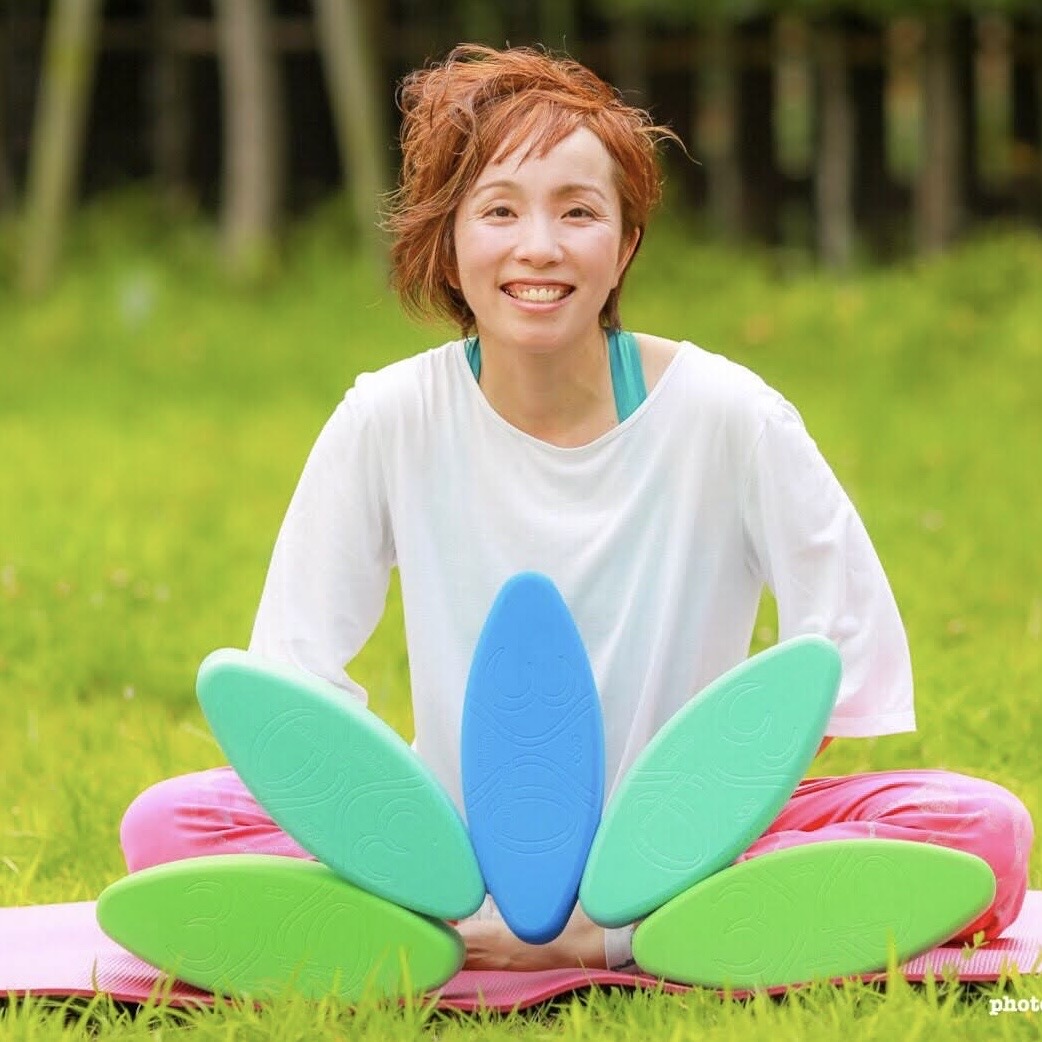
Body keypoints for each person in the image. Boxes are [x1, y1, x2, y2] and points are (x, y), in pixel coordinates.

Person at [119, 44, 1033, 974]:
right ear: (448, 241)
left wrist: (689, 831)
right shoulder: (389, 418)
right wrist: (400, 839)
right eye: (499, 210)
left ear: (624, 243)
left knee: (981, 832)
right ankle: (464, 918)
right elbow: (294, 685)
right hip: (454, 852)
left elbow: (841, 649)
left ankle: (611, 932)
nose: (539, 247)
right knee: (167, 828)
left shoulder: (728, 415)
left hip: (685, 850)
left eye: (578, 212)